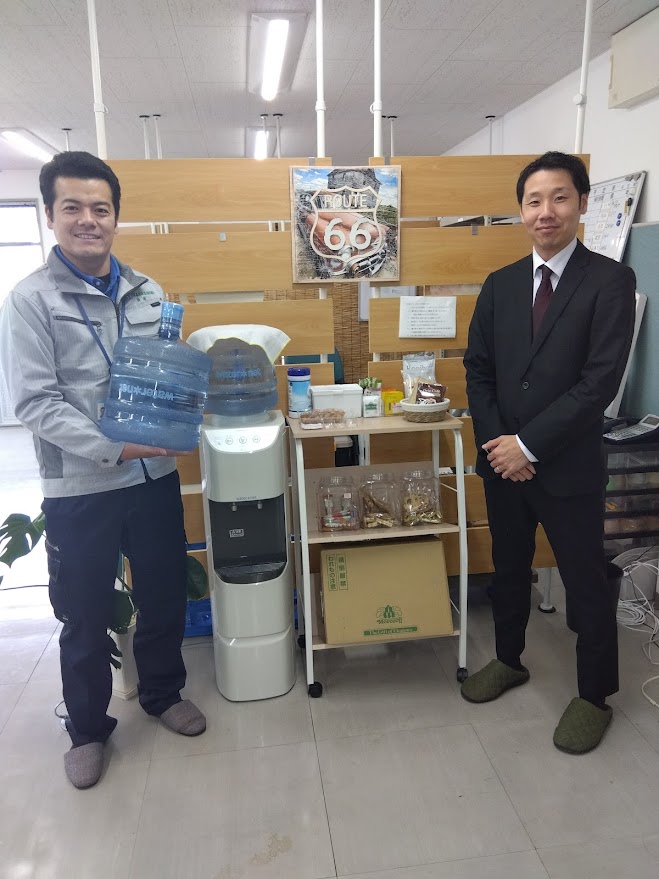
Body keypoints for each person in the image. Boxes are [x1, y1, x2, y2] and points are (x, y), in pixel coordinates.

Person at [0, 151, 206, 789]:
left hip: (153, 479)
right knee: (85, 613)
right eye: (73, 208)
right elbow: (35, 403)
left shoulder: (149, 292)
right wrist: (115, 447)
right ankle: (87, 730)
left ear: (116, 216)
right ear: (51, 214)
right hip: (81, 486)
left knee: (163, 592)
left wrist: (180, 404)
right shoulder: (30, 300)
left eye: (101, 208)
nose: (88, 220)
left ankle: (163, 693)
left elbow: (164, 370)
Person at [462, 151, 636, 754]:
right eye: (533, 201)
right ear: (520, 211)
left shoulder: (609, 281)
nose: (546, 212)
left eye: (559, 198)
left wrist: (528, 445)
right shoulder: (500, 284)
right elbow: (478, 371)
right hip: (503, 464)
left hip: (568, 466)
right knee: (509, 570)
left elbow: (599, 382)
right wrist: (500, 447)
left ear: (582, 204)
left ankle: (594, 696)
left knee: (584, 581)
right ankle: (508, 659)